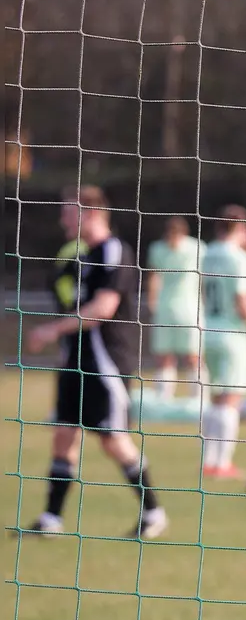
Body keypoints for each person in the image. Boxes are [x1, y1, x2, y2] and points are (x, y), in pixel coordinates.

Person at [22, 186, 167, 538]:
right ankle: (51, 519)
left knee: (112, 439)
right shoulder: (80, 257)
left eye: (68, 212)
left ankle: (153, 512)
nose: (63, 220)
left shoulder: (113, 250)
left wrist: (51, 330)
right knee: (64, 434)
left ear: (91, 213)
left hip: (105, 362)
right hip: (75, 358)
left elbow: (103, 309)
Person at [199, 205, 246, 478]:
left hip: (209, 329)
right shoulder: (239, 257)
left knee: (216, 398)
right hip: (232, 334)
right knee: (231, 400)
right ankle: (223, 463)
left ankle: (209, 460)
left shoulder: (207, 253)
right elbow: (242, 299)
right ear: (239, 227)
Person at [144, 215, 206, 398]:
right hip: (165, 308)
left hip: (191, 309)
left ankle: (199, 398)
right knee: (164, 356)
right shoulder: (157, 248)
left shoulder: (197, 247)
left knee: (193, 356)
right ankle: (163, 399)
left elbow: (204, 278)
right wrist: (153, 303)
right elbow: (154, 276)